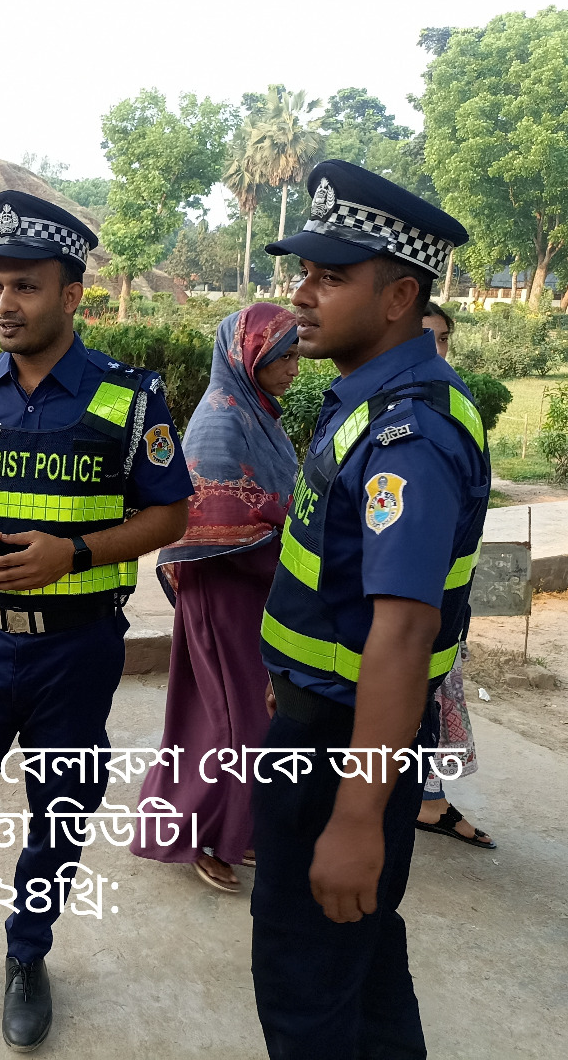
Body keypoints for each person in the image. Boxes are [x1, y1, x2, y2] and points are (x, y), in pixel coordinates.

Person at [0, 190, 192, 1051]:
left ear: (71, 295)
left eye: (25, 287)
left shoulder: (130, 400)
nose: (4, 304)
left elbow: (170, 513)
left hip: (75, 651)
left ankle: (27, 956)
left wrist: (75, 553)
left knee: (58, 814)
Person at [252, 159, 490, 1059]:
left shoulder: (407, 434)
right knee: (360, 966)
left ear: (397, 298)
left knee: (305, 989)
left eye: (330, 277)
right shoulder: (370, 401)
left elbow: (403, 631)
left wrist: (357, 818)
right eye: (304, 273)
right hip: (324, 727)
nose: (300, 295)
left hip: (341, 752)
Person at [132, 303, 300, 893]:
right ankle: (198, 835)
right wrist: (281, 539)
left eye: (296, 356)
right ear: (248, 356)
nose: (293, 369)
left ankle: (234, 828)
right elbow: (209, 521)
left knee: (240, 716)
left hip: (256, 591)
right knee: (227, 718)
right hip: (223, 589)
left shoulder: (259, 414)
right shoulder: (220, 421)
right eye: (283, 357)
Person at [415, 302, 495, 848]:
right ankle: (419, 802)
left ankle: (429, 799)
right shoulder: (400, 411)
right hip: (406, 604)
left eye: (442, 338)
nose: (435, 350)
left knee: (437, 700)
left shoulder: (453, 407)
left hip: (446, 599)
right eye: (425, 337)